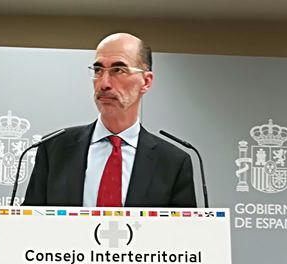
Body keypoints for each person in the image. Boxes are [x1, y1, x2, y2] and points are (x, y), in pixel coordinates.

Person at [22, 33, 197, 208]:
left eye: (118, 70)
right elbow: (29, 220)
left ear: (146, 81)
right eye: (98, 70)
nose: (104, 83)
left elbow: (183, 225)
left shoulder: (172, 162)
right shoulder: (55, 149)